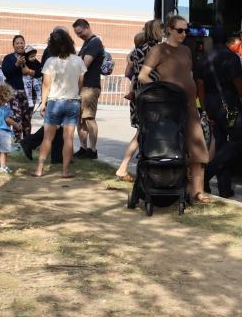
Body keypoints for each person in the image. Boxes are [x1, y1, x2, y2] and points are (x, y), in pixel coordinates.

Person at [137, 15, 211, 205]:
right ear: (169, 29)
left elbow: (189, 75)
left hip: (190, 106)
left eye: (186, 30)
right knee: (171, 149)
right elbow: (143, 76)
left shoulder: (187, 50)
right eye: (180, 30)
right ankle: (171, 188)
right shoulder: (159, 50)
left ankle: (198, 192)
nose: (183, 34)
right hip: (168, 109)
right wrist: (162, 91)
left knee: (198, 149)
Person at [196, 25, 242, 198]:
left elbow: (200, 86)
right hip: (229, 106)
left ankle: (224, 188)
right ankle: (207, 175)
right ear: (227, 39)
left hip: (211, 104)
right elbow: (238, 83)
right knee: (237, 138)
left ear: (211, 39)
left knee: (220, 142)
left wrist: (205, 110)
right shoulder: (231, 57)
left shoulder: (202, 59)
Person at [33, 28, 86, 178]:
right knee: (68, 138)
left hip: (54, 103)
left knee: (47, 138)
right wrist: (76, 95)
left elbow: (46, 85)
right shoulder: (78, 60)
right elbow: (81, 82)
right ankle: (65, 171)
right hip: (72, 102)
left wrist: (43, 103)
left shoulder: (50, 61)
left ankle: (39, 170)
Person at [115, 19, 162, 182]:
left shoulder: (137, 50)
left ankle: (140, 168)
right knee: (143, 133)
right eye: (162, 29)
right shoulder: (156, 49)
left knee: (142, 132)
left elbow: (131, 71)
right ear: (157, 31)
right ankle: (124, 167)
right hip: (153, 95)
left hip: (139, 94)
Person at [72, 18, 105, 160]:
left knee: (89, 118)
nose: (79, 36)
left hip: (90, 87)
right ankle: (83, 148)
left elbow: (83, 66)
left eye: (80, 32)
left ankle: (93, 150)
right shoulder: (86, 43)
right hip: (82, 86)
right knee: (80, 120)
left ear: (87, 27)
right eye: (77, 34)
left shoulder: (95, 42)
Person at [1, 35, 42, 143]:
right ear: (13, 45)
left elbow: (40, 72)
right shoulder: (9, 58)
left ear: (24, 44)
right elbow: (6, 73)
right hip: (13, 93)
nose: (20, 45)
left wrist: (30, 71)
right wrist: (16, 64)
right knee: (16, 118)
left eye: (21, 43)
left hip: (29, 94)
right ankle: (18, 142)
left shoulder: (30, 57)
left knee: (27, 119)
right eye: (17, 43)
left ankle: (27, 143)